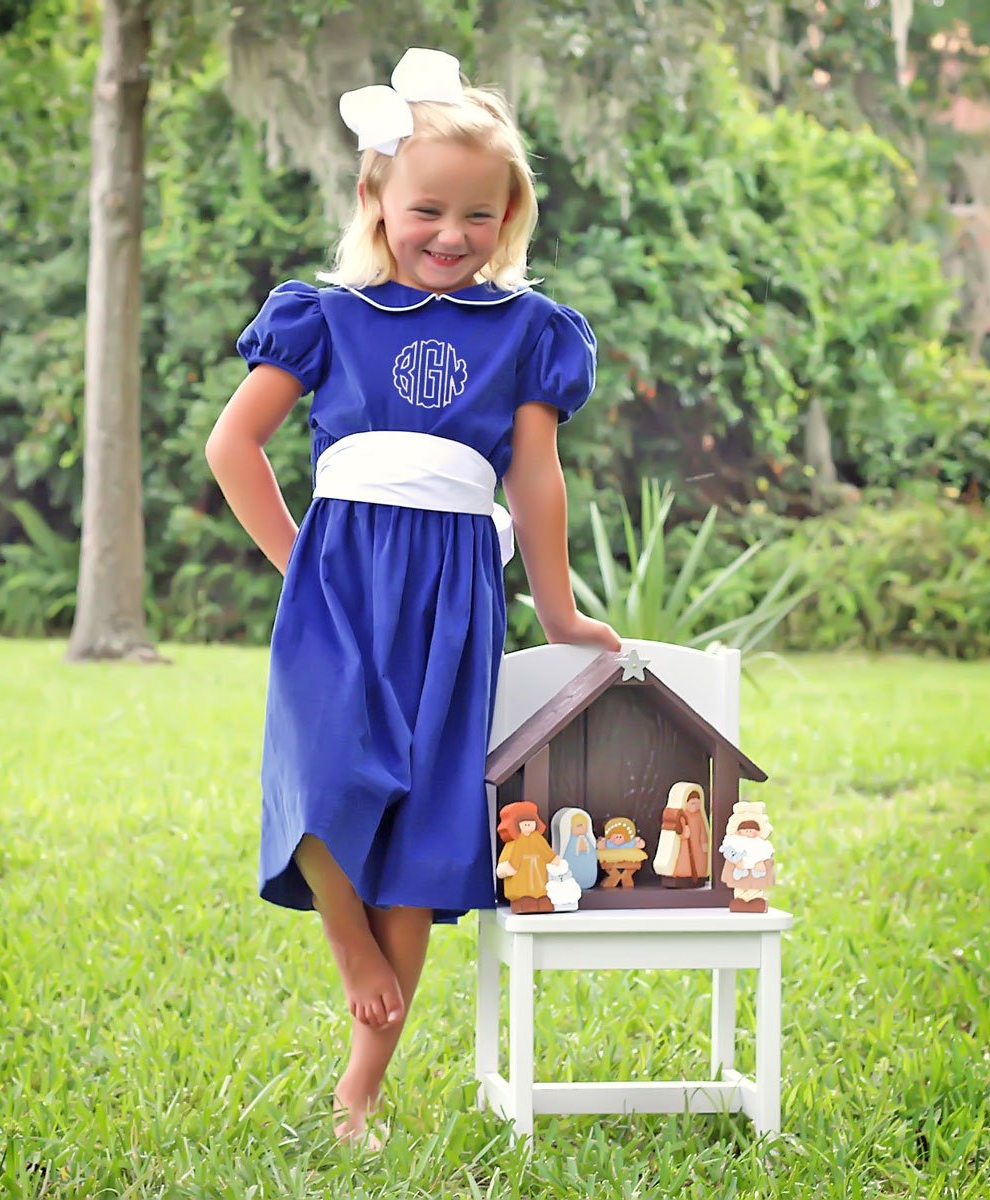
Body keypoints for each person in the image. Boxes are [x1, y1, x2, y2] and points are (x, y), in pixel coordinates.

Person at [204, 47, 620, 1146]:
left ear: (510, 216)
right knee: (323, 763)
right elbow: (232, 444)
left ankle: (362, 1087)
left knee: (428, 815)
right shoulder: (324, 317)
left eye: (478, 216)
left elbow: (535, 480)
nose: (450, 232)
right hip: (338, 578)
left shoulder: (529, 331)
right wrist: (300, 562)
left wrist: (562, 609)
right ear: (375, 200)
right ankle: (348, 945)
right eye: (427, 208)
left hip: (454, 596)